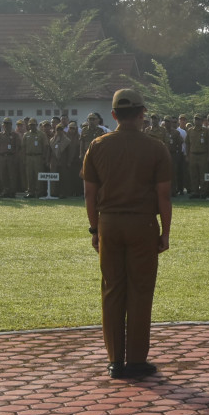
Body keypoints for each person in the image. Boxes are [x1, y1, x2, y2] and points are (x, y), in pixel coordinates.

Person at [82, 88, 172, 379]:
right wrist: (165, 233)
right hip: (142, 223)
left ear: (113, 115)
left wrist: (95, 229)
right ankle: (135, 359)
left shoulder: (98, 145)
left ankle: (114, 360)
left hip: (109, 222)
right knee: (140, 290)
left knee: (111, 290)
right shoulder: (155, 147)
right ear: (142, 113)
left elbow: (89, 193)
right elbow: (164, 196)